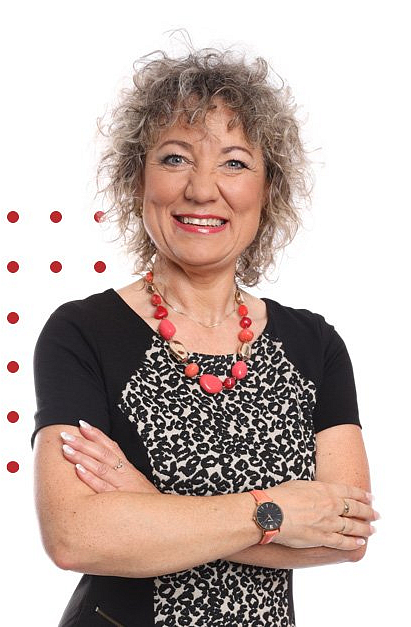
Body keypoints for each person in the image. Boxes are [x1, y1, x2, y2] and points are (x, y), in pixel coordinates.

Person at [32, 44, 378, 627]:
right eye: (174, 158)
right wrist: (274, 513)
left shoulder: (314, 344)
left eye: (234, 163)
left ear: (269, 189)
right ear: (136, 178)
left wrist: (148, 508)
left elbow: (346, 533)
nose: (200, 189)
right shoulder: (81, 331)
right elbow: (74, 535)